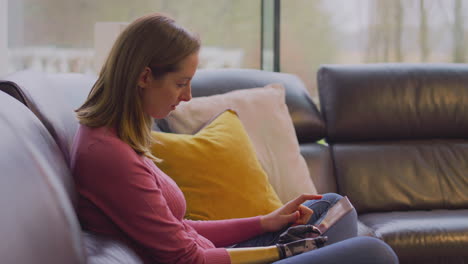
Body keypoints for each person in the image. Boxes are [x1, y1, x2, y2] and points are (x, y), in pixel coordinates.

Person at [71, 13, 398, 264]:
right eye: (180, 83)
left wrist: (264, 221)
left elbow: (180, 230)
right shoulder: (107, 154)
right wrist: (283, 250)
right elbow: (189, 258)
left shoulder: (118, 137)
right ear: (144, 76)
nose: (187, 96)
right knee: (373, 252)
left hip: (215, 253)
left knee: (331, 206)